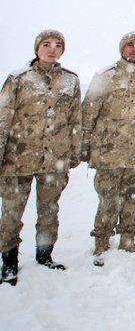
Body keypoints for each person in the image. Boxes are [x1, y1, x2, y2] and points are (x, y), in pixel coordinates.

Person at [0, 30, 81, 285]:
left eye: (58, 45)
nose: (52, 49)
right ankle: (9, 262)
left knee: (49, 210)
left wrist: (74, 152)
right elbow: (3, 119)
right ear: (37, 48)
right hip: (19, 159)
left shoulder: (70, 81)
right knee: (12, 213)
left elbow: (75, 121)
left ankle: (45, 255)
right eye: (46, 44)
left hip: (53, 160)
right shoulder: (18, 79)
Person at [82, 31, 135, 263]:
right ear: (122, 48)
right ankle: (101, 242)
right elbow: (89, 113)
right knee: (107, 198)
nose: (134, 48)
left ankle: (128, 240)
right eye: (130, 45)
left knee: (134, 198)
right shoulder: (105, 77)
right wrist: (84, 144)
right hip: (109, 151)